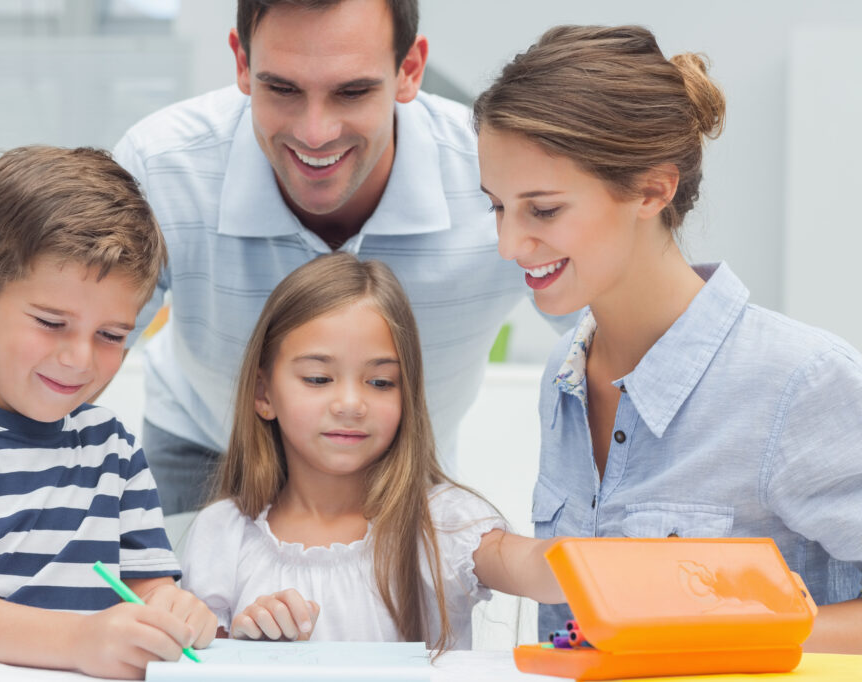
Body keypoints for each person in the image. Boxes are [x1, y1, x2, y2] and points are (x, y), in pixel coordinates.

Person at [473, 25, 862, 653]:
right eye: (497, 206)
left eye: (542, 210)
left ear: (653, 189)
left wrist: (745, 631)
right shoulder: (563, 378)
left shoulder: (800, 384)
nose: (509, 244)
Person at [113, 0, 571, 516]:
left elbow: (620, 332)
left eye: (352, 91)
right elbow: (66, 346)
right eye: (282, 89)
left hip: (396, 466)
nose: (316, 133)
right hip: (210, 449)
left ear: (409, 70)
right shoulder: (162, 167)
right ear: (242, 64)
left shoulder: (495, 177)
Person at [0, 146, 217, 679]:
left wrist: (175, 613)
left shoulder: (113, 451)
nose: (79, 359)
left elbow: (150, 590)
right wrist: (79, 641)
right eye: (51, 322)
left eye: (112, 335)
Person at [179, 253, 564, 651]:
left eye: (380, 382)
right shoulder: (222, 533)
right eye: (318, 378)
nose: (350, 403)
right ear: (263, 394)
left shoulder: (444, 524)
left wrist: (621, 564)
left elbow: (539, 567)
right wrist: (247, 650)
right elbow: (199, 661)